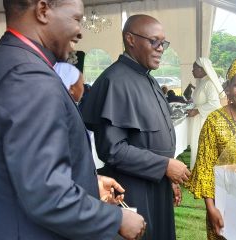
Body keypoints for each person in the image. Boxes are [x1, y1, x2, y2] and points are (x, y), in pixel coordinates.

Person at [0, 0, 147, 240]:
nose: (80, 31)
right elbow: (44, 190)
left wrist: (87, 180)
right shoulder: (29, 76)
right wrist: (115, 219)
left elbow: (16, 162)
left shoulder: (7, 58)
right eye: (76, 18)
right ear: (43, 10)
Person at [81, 14, 190, 240]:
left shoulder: (147, 78)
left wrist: (165, 177)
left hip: (156, 182)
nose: (161, 48)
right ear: (130, 39)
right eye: (154, 41)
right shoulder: (115, 81)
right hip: (133, 189)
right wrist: (164, 166)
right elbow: (113, 150)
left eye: (163, 43)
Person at [187, 55, 236, 240]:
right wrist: (211, 207)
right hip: (223, 204)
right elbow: (205, 167)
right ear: (229, 87)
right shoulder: (214, 121)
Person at [187, 57, 226, 170]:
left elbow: (215, 104)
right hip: (199, 120)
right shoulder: (201, 82)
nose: (192, 71)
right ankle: (198, 172)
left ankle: (203, 172)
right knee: (197, 146)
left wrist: (197, 110)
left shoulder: (209, 83)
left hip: (204, 121)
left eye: (194, 68)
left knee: (203, 147)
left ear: (202, 69)